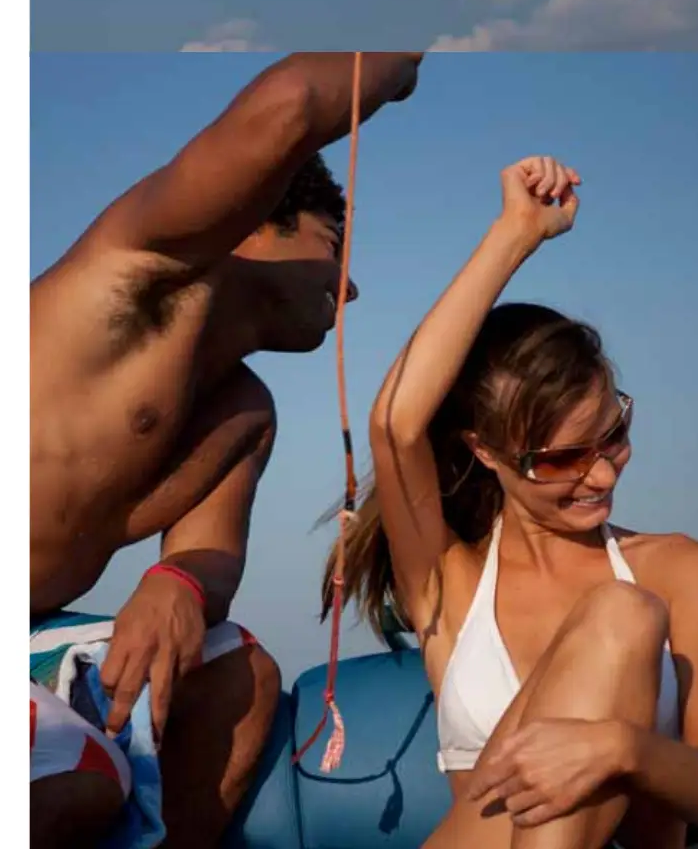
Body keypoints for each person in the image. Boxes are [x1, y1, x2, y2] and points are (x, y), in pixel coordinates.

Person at [31, 51, 424, 849]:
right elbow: (289, 105)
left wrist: (177, 582)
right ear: (256, 214)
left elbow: (210, 554)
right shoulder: (135, 275)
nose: (349, 285)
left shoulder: (245, 413)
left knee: (241, 676)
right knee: (79, 785)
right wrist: (404, 52)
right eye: (334, 243)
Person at [324, 155, 698, 848]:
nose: (601, 475)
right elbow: (396, 422)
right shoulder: (447, 585)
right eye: (561, 459)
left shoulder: (681, 571)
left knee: (624, 613)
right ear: (486, 452)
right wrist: (515, 233)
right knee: (621, 613)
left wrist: (618, 748)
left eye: (614, 436)